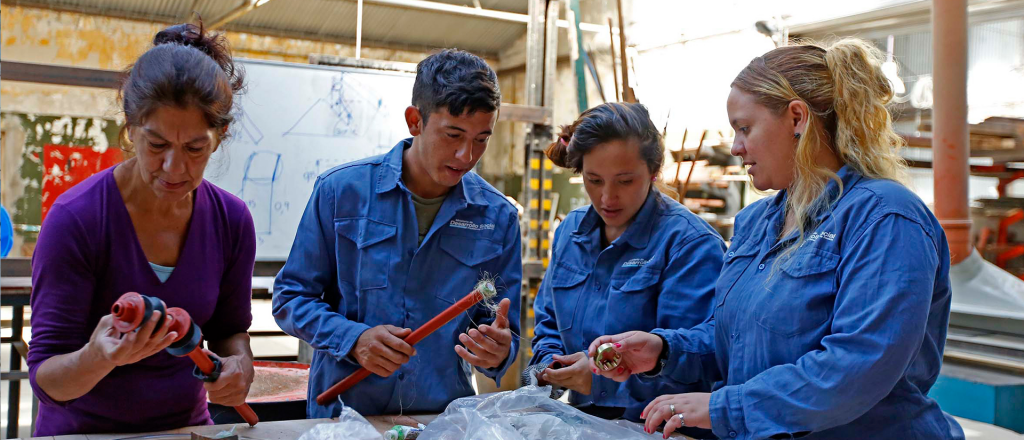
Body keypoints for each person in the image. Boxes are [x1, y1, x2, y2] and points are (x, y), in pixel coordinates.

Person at [589, 38, 966, 440]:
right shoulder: (756, 221)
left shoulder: (885, 218)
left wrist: (724, 407)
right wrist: (664, 350)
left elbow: (857, 365)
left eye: (745, 128)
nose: (736, 148)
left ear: (797, 118)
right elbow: (737, 340)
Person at [26, 22, 256, 435]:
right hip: (82, 431)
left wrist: (239, 366)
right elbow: (47, 378)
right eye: (156, 144)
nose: (174, 168)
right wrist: (97, 357)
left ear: (220, 137)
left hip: (185, 430)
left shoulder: (232, 221)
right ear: (130, 128)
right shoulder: (77, 219)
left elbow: (230, 331)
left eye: (195, 148)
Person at [273, 49, 521, 418]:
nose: (466, 155)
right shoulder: (341, 193)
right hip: (344, 416)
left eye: (481, 139)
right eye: (453, 134)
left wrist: (498, 351)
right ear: (414, 121)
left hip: (439, 419)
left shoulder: (498, 217)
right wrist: (353, 339)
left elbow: (501, 326)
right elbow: (291, 298)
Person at [524, 103, 725, 434]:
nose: (607, 197)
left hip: (663, 429)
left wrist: (601, 382)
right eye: (594, 180)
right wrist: (551, 366)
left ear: (654, 171)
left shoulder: (689, 244)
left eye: (625, 181)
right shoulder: (570, 233)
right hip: (584, 424)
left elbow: (701, 358)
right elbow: (547, 321)